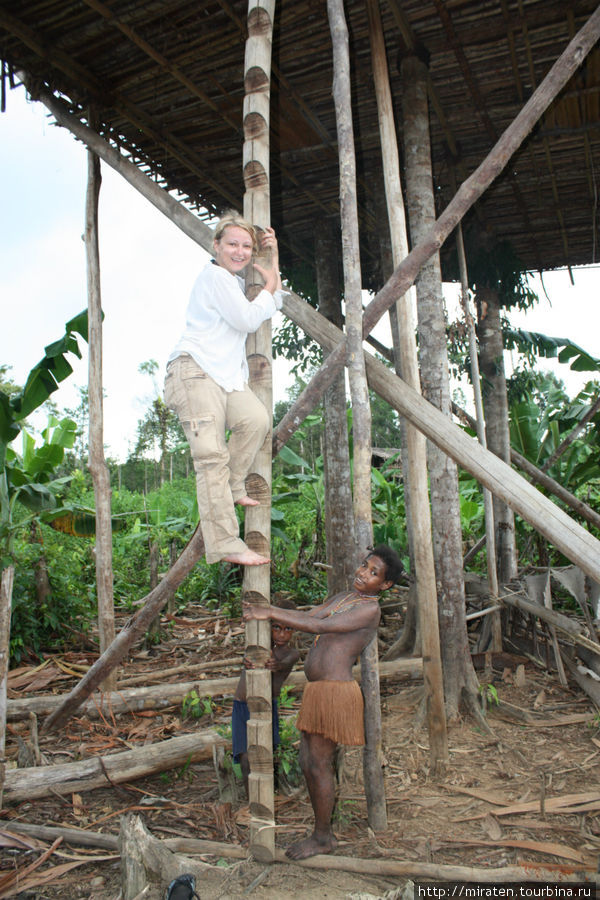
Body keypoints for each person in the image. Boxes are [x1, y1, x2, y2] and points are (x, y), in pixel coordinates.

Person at [243, 545, 403, 860]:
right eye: (364, 565)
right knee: (308, 760)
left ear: (385, 586)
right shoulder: (343, 597)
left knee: (317, 764)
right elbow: (308, 617)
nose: (363, 574)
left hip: (335, 691)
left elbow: (320, 626)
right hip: (319, 690)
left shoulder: (370, 609)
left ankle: (323, 837)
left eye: (373, 574)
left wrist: (269, 611)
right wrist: (273, 617)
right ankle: (321, 832)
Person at [164, 210, 287, 567]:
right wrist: (267, 287)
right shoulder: (214, 277)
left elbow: (273, 303)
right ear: (216, 245)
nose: (240, 251)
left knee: (256, 420)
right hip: (194, 373)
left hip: (224, 377)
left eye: (247, 246)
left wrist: (272, 261)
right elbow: (250, 317)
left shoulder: (233, 284)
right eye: (232, 243)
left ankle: (235, 486)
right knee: (211, 459)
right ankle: (226, 544)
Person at [232, 598, 300, 797]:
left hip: (267, 707)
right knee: (245, 758)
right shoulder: (259, 643)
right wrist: (247, 660)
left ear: (295, 630)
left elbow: (283, 664)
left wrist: (274, 665)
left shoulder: (292, 653)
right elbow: (247, 658)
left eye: (288, 629)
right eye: (276, 627)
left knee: (266, 754)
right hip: (242, 705)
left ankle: (270, 795)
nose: (281, 634)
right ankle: (251, 799)